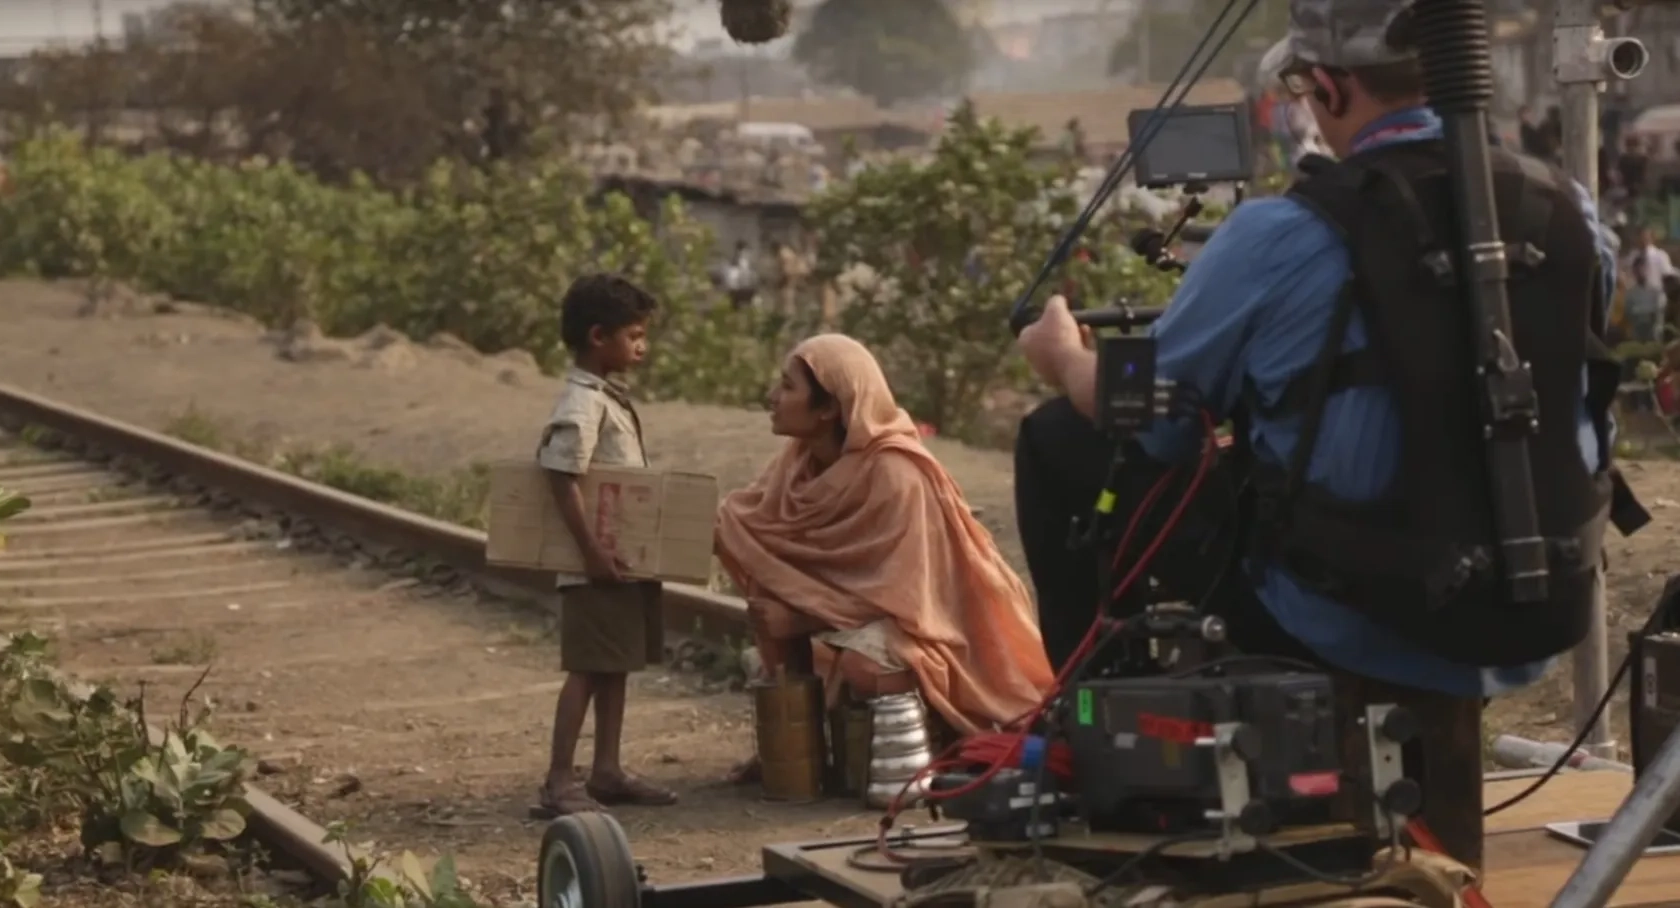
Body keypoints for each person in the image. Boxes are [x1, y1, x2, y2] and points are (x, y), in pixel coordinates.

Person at [1013, 0, 1632, 868]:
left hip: (1354, 607)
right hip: (1537, 593)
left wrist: (1067, 360)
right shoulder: (1569, 207)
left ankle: (1087, 729)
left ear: (1332, 86)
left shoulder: (1284, 231)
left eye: (1303, 86)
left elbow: (1154, 423)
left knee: (1058, 442)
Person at [716, 333, 1053, 784]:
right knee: (764, 580)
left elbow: (908, 601)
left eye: (787, 387)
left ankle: (929, 741)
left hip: (938, 631)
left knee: (868, 669)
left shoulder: (897, 475)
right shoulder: (796, 462)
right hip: (846, 618)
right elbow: (748, 522)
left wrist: (800, 621)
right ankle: (794, 748)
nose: (772, 398)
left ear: (829, 408)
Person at [535, 273, 678, 817]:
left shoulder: (605, 397)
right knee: (588, 669)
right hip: (594, 563)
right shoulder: (582, 402)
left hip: (617, 561)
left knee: (614, 664)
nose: (642, 345)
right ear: (599, 336)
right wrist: (593, 554)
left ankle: (607, 769)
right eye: (634, 335)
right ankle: (557, 779)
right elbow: (559, 473)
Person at [1624, 226, 1675, 343]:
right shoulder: (1632, 257)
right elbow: (1626, 276)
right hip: (1637, 302)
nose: (1643, 239)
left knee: (1655, 334)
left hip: (1655, 300)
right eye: (1640, 236)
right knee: (1637, 336)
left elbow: (1668, 276)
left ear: (1651, 237)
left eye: (1646, 236)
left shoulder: (1660, 256)